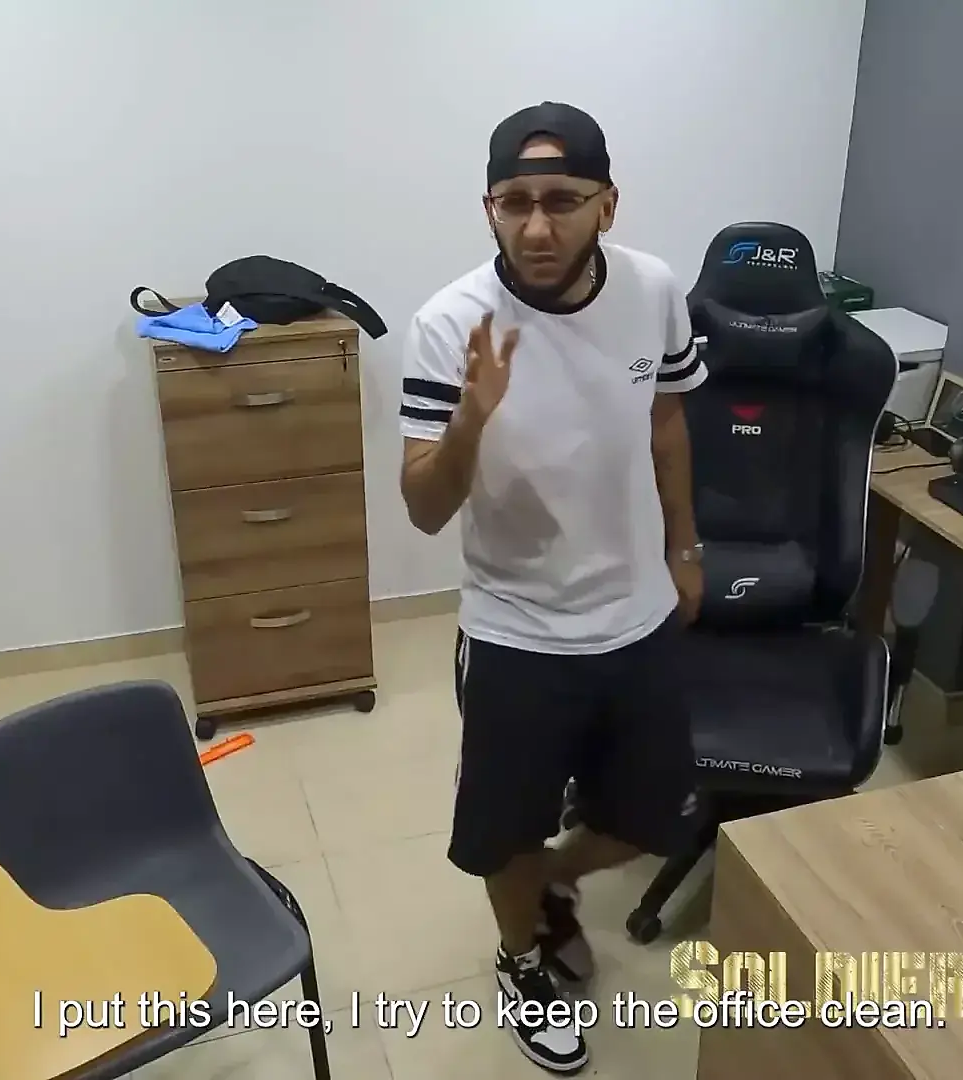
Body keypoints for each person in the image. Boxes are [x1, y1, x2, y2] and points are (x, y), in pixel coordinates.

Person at [397, 101, 705, 1074]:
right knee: (505, 833)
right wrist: (469, 423)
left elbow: (666, 421)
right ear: (488, 208)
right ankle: (519, 956)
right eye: (515, 202)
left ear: (607, 205)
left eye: (562, 201)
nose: (536, 227)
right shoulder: (450, 325)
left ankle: (554, 882)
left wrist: (686, 549)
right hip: (516, 628)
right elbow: (423, 508)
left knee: (653, 816)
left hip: (637, 613)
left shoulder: (653, 289)